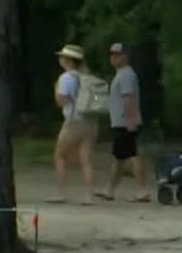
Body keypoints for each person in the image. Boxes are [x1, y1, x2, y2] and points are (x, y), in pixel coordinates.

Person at [95, 42, 150, 202]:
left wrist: (131, 120)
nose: (114, 57)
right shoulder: (122, 74)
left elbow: (129, 98)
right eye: (112, 54)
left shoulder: (126, 75)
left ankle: (141, 190)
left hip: (125, 122)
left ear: (125, 56)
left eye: (117, 54)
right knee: (122, 156)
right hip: (121, 122)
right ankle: (110, 190)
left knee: (130, 155)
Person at [49, 44, 98, 205]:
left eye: (63, 57)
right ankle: (88, 195)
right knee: (86, 159)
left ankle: (61, 193)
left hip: (73, 121)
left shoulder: (66, 78)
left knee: (60, 155)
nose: (60, 59)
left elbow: (61, 101)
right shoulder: (86, 76)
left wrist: (56, 89)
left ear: (69, 60)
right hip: (90, 121)